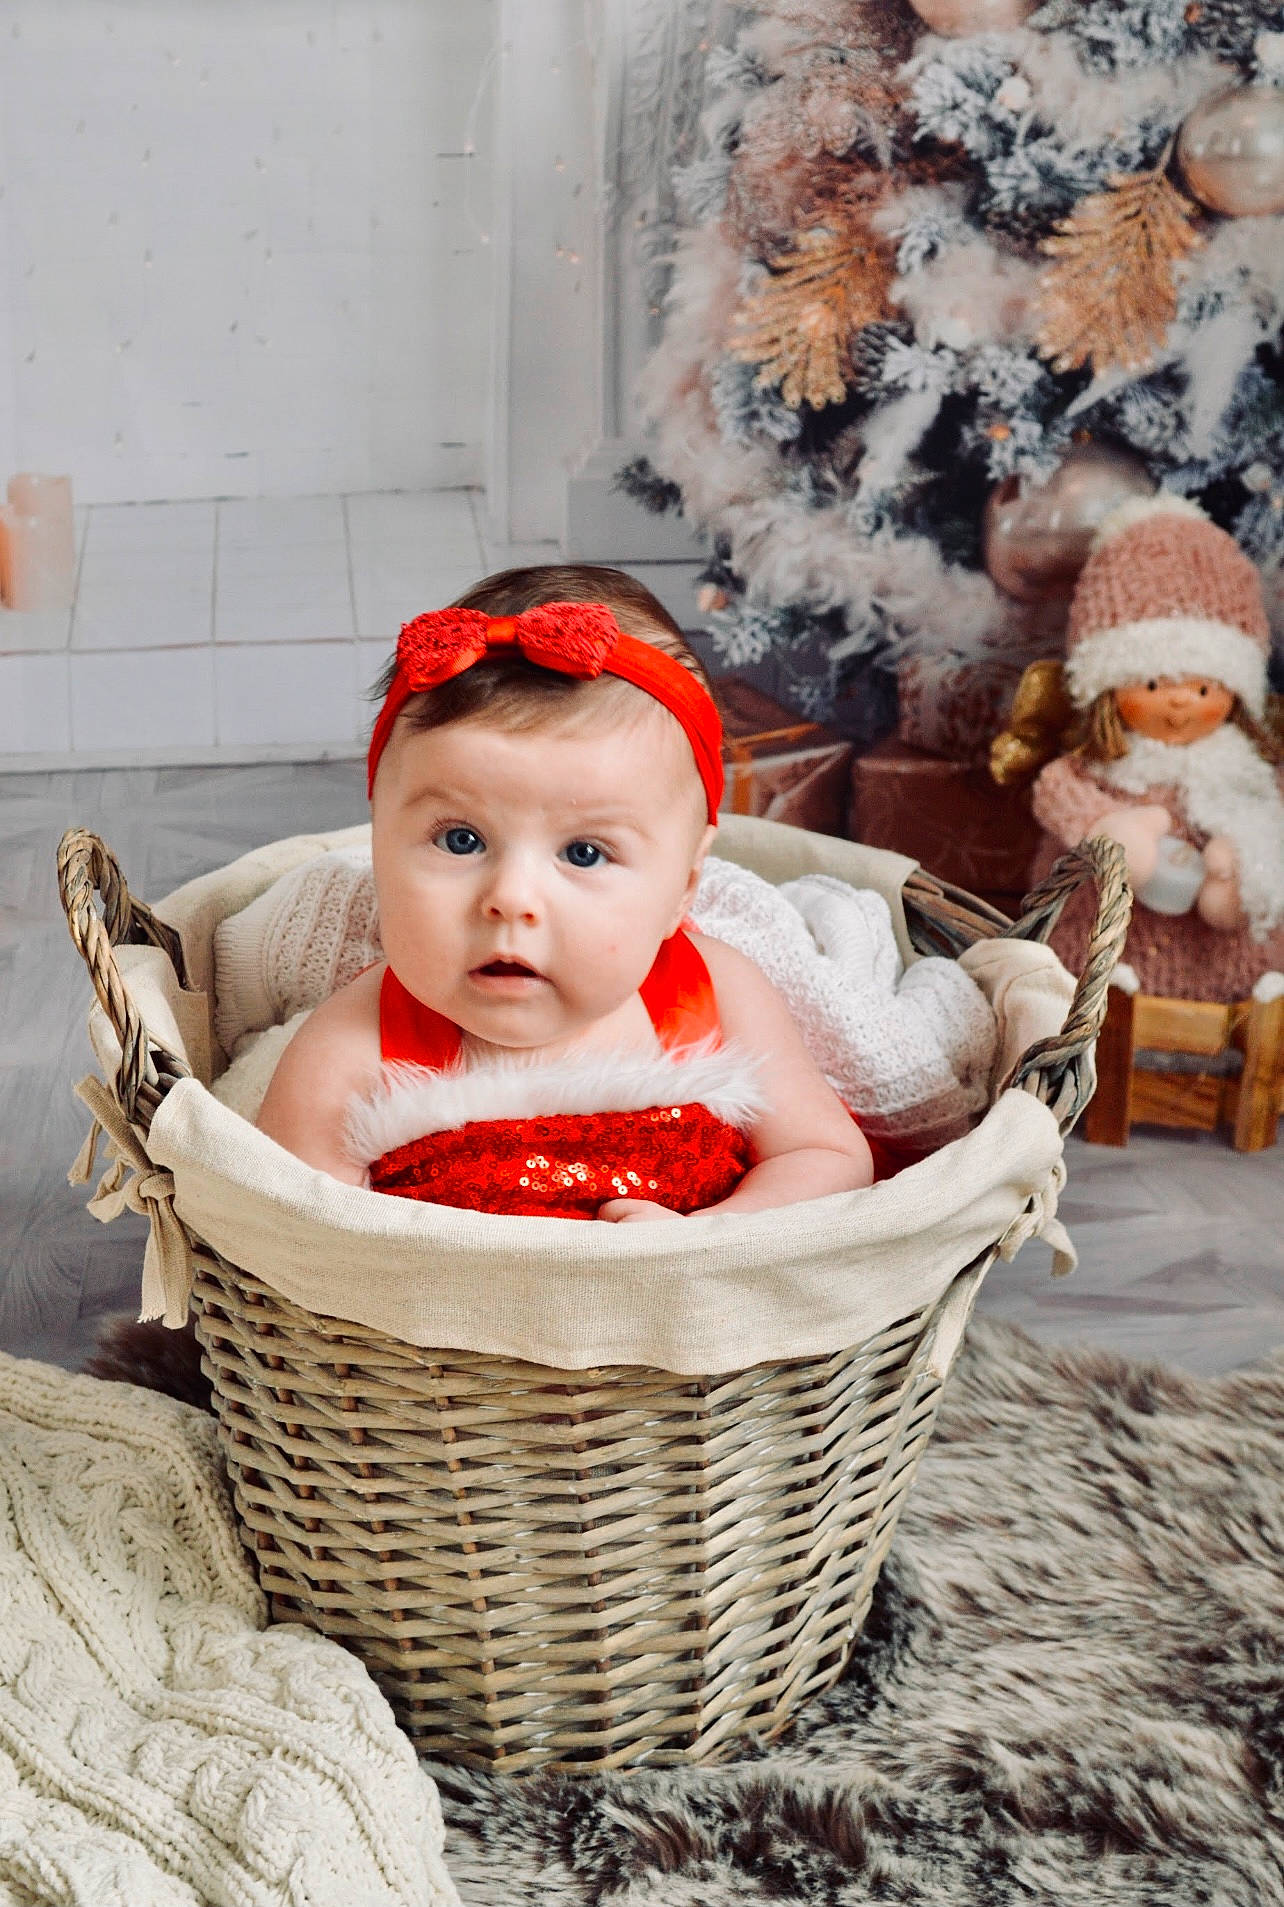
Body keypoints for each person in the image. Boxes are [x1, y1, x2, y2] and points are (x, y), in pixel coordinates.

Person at [256, 564, 874, 1220]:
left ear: (683, 888)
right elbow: (298, 1242)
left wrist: (707, 1236)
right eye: (461, 839)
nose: (511, 897)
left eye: (584, 852)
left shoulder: (712, 998)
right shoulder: (357, 1047)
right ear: (379, 846)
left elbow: (828, 1158)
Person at [1021, 495, 1284, 1002]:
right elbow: (1059, 791)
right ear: (1109, 686)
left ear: (1235, 695)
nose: (1179, 705)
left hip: (1228, 970)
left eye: (1204, 690)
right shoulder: (1101, 767)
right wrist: (1110, 830)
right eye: (1153, 684)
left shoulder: (1251, 776)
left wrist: (1244, 861)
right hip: (1104, 956)